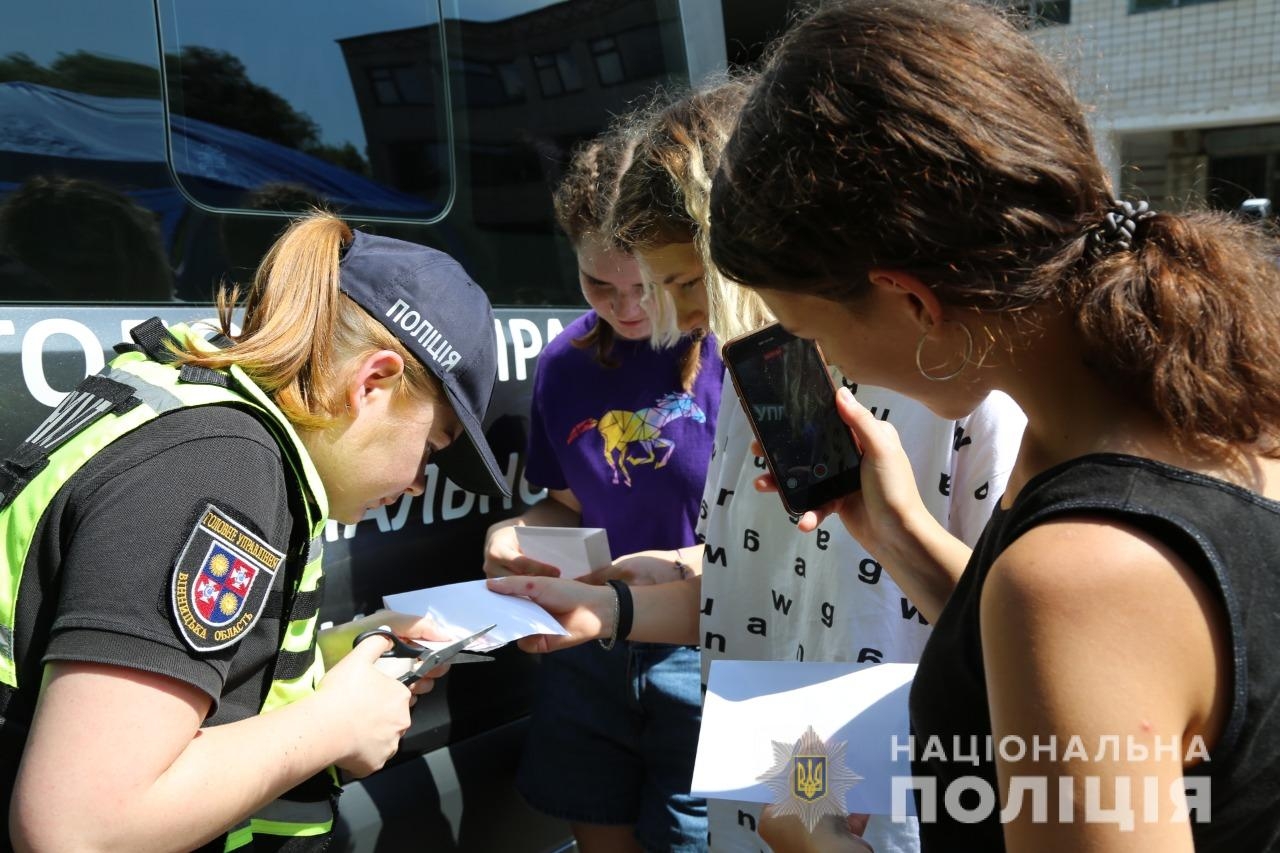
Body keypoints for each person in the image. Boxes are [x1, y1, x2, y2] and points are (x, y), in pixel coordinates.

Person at [706, 0, 1280, 850]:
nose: (840, 372)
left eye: (819, 337)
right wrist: (899, 534)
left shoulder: (1077, 573)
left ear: (910, 299)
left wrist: (824, 842)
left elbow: (1081, 629)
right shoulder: (1179, 417)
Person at [489, 77, 1026, 853]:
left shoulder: (964, 390)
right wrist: (611, 611)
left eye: (681, 280)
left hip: (875, 793)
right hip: (775, 770)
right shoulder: (760, 369)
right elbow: (766, 595)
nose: (674, 314)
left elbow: (1014, 636)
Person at [1, 211, 511, 852]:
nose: (418, 482)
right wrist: (333, 727)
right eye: (433, 445)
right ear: (373, 382)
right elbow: (81, 829)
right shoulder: (219, 466)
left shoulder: (202, 410)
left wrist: (329, 658)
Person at [481, 121, 720, 853]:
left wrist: (682, 569)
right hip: (586, 647)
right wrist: (511, 534)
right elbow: (567, 500)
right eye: (598, 284)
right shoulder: (566, 364)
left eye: (645, 284)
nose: (625, 308)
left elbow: (783, 537)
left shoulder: (734, 349)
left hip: (700, 642)